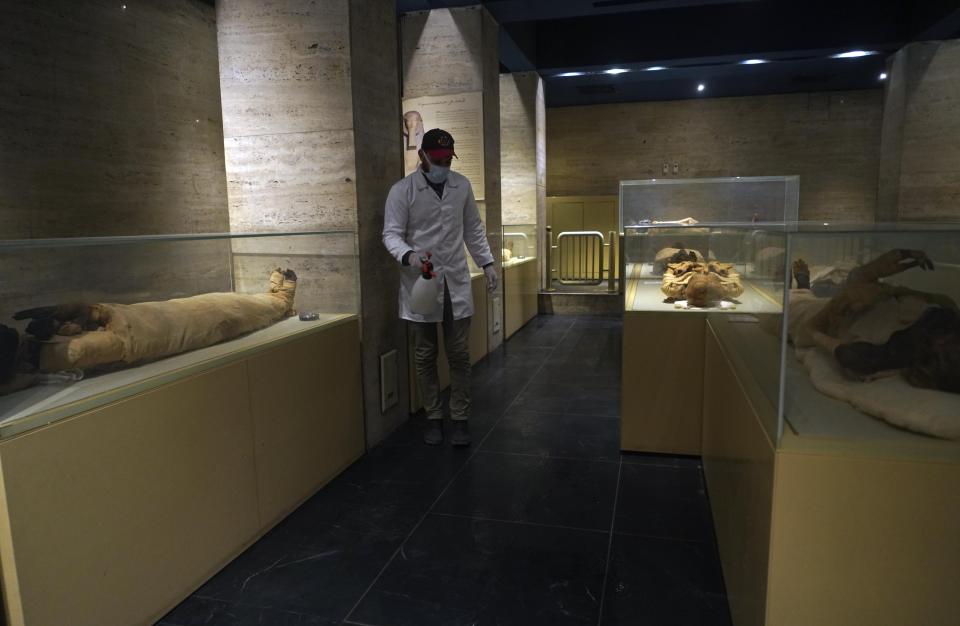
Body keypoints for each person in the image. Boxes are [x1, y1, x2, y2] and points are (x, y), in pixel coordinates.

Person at [383, 128, 497, 446]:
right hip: (421, 282)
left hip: (456, 281)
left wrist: (487, 264)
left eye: (448, 159)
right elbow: (390, 233)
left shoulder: (462, 186)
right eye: (438, 159)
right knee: (424, 353)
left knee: (459, 354)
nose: (444, 165)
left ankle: (459, 418)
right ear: (422, 156)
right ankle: (433, 416)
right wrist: (409, 255)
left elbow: (473, 228)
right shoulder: (402, 191)